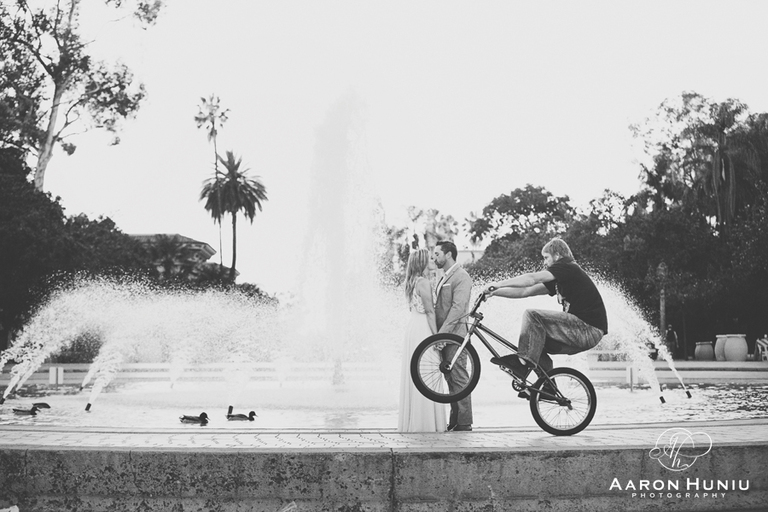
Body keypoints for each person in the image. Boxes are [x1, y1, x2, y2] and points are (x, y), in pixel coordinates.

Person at [484, 238, 607, 391]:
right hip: (581, 332)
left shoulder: (568, 267)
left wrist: (499, 283)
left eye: (546, 257)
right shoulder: (560, 278)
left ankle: (522, 365)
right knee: (535, 342)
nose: (544, 263)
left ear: (557, 255)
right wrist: (495, 292)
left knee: (532, 315)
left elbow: (531, 279)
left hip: (587, 329)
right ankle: (548, 387)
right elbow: (526, 291)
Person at [397, 248, 447, 432]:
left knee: (417, 374)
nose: (433, 259)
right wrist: (437, 337)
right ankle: (427, 424)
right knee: (428, 373)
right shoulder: (424, 282)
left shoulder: (412, 282)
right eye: (430, 258)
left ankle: (417, 422)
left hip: (413, 328)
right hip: (423, 330)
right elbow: (430, 311)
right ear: (422, 262)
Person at [433, 240, 474, 432]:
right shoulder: (444, 276)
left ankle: (464, 423)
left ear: (448, 254)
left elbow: (458, 309)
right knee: (450, 378)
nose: (434, 258)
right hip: (446, 336)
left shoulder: (462, 276)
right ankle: (455, 421)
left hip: (456, 336)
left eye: (437, 254)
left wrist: (441, 335)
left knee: (458, 378)